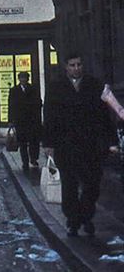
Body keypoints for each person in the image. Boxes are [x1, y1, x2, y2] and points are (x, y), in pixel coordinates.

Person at [42, 53, 120, 237]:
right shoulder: (56, 88)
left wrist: (111, 141)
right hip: (66, 145)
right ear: (65, 67)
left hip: (90, 146)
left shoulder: (94, 85)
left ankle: (86, 215)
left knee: (92, 185)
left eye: (79, 64)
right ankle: (73, 220)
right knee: (69, 185)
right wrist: (48, 142)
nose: (76, 68)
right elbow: (50, 116)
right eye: (72, 65)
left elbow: (104, 116)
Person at [9, 72, 42, 172]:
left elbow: (39, 103)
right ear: (19, 79)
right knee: (22, 142)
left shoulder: (33, 89)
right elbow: (11, 105)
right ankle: (25, 161)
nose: (23, 80)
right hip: (20, 121)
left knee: (34, 141)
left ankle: (33, 158)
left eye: (25, 78)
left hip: (32, 120)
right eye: (21, 78)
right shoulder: (14, 91)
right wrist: (10, 120)